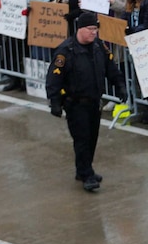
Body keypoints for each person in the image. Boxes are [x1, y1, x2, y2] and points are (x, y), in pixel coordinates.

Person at [46, 11, 126, 192]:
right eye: (90, 29)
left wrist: (120, 85)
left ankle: (82, 169)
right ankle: (86, 173)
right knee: (82, 139)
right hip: (75, 103)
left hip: (94, 101)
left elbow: (110, 68)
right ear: (80, 29)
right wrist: (55, 101)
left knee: (92, 138)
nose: (94, 33)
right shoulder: (65, 51)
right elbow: (54, 78)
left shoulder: (99, 47)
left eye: (96, 29)